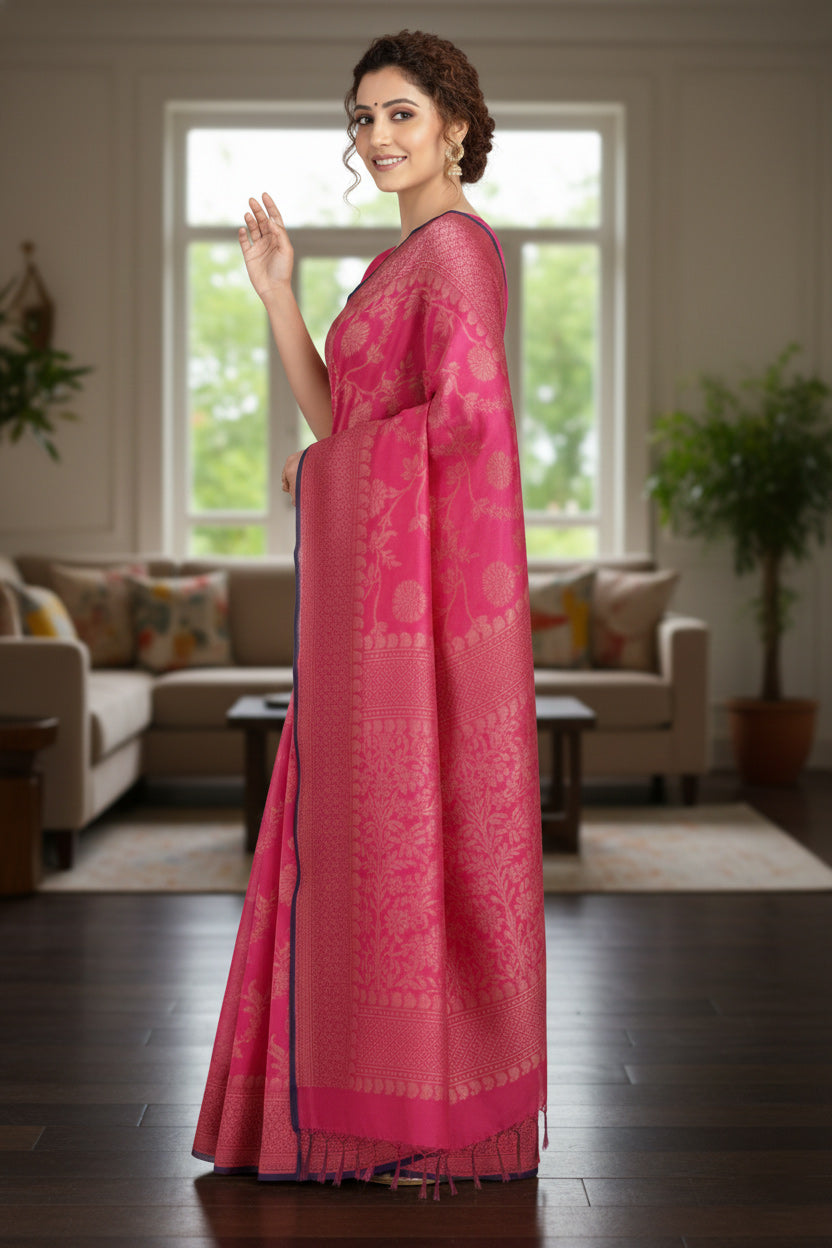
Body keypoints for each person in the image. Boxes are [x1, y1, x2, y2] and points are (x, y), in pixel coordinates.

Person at [192, 30, 547, 1196]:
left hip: (413, 625)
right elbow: (344, 421)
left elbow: (470, 431)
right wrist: (278, 295)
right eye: (362, 117)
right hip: (368, 627)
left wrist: (328, 474)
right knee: (348, 849)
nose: (378, 136)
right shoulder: (398, 265)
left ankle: (422, 1120)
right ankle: (342, 1113)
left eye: (400, 114)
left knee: (409, 848)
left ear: (454, 126)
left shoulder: (456, 254)